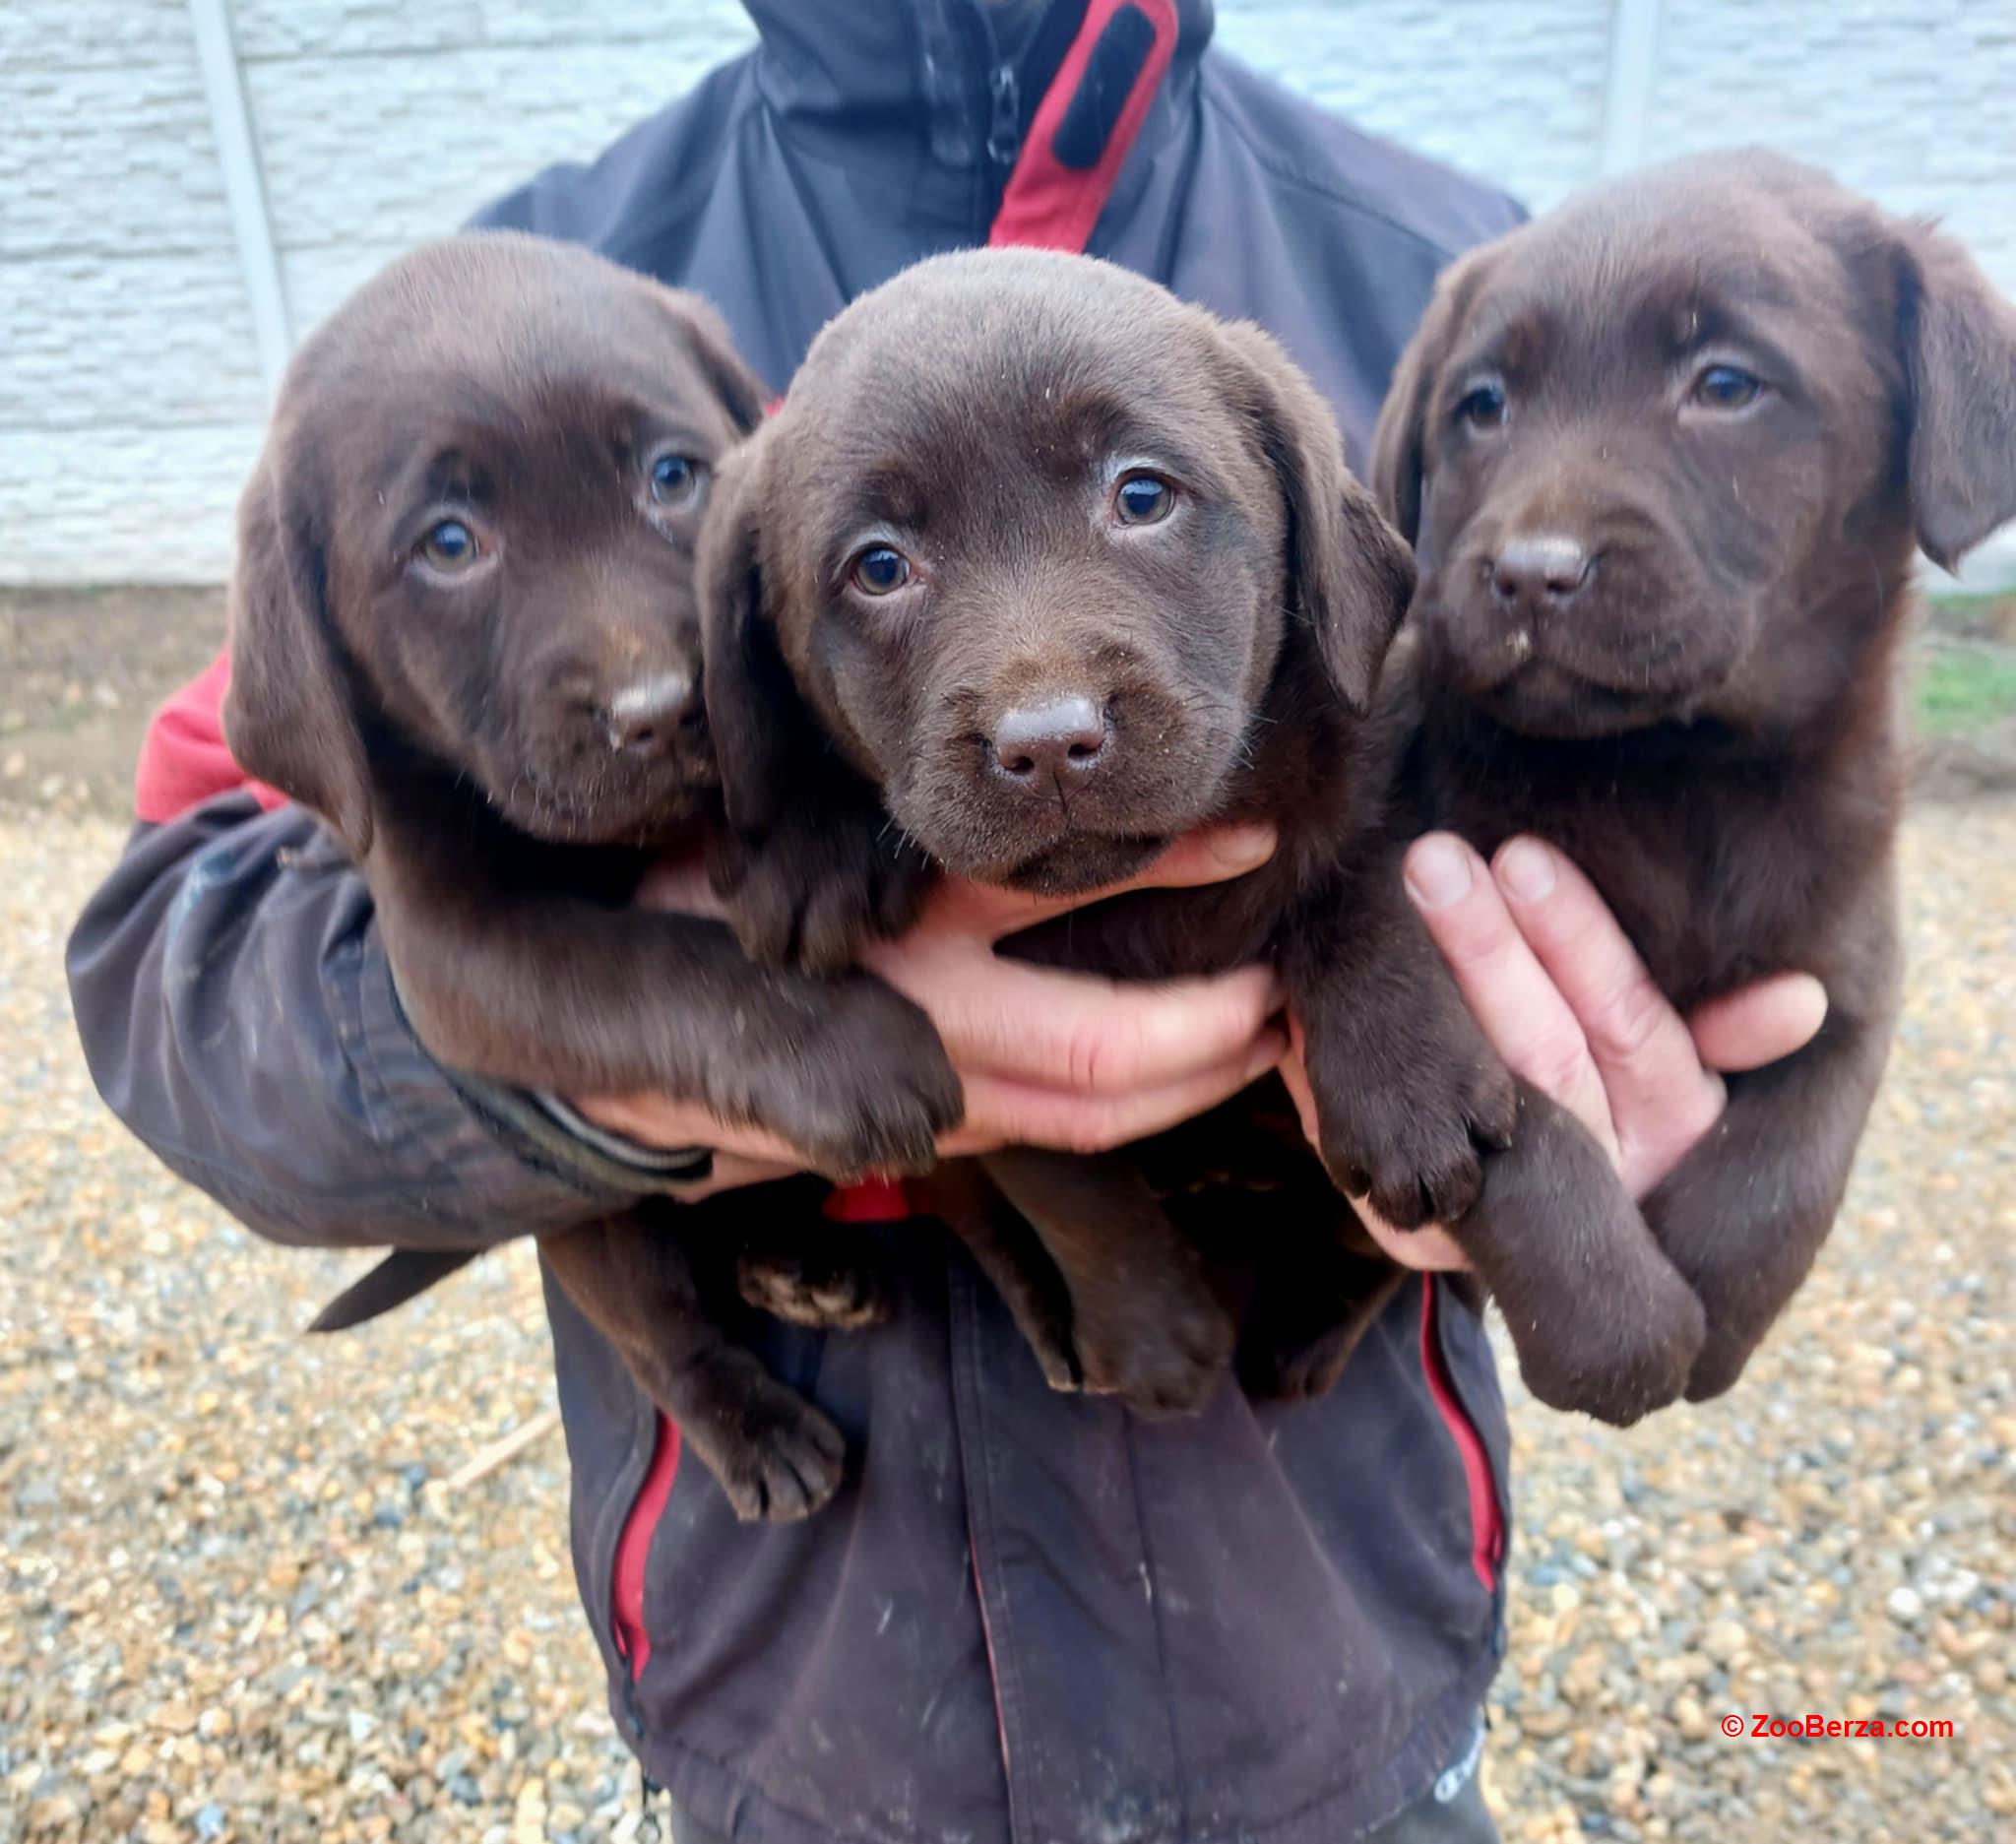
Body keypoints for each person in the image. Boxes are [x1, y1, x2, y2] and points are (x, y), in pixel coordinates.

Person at [66, 4, 1828, 1839]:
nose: (1046, 694)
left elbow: (1660, 803)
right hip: (804, 1699)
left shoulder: (1462, 297)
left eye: (1147, 499)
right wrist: (647, 1057)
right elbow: (165, 958)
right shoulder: (540, 302)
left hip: (1331, 1660)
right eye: (881, 565)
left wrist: (1624, 1118)